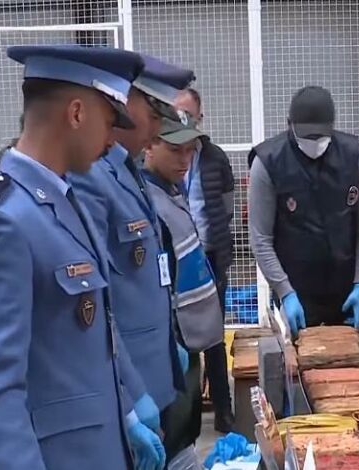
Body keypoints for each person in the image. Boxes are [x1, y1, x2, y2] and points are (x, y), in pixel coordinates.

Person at [0, 45, 166, 470]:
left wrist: (125, 410)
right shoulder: (1, 222)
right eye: (109, 122)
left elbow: (92, 338)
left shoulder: (65, 201)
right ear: (77, 114)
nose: (112, 140)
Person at [69, 55, 194, 460]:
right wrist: (126, 399)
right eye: (153, 116)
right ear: (123, 103)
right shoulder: (91, 177)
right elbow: (97, 302)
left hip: (154, 373)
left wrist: (169, 346)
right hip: (129, 382)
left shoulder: (128, 170)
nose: (157, 131)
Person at [248, 85, 359, 336]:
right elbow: (260, 238)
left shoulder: (354, 155)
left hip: (348, 289)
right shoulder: (267, 162)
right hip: (296, 291)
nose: (315, 143)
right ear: (290, 124)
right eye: (308, 137)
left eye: (321, 136)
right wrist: (284, 291)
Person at [142, 115, 226, 451]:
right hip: (167, 344)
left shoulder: (172, 190)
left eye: (190, 150)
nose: (185, 159)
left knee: (187, 433)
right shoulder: (146, 201)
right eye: (175, 150)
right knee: (173, 438)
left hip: (187, 341)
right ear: (149, 145)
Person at [174, 88, 236, 433]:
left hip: (210, 257)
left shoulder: (215, 158)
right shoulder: (161, 156)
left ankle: (224, 411)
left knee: (213, 337)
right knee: (181, 340)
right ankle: (188, 416)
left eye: (188, 114)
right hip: (176, 261)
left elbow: (226, 208)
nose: (183, 120)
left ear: (200, 117)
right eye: (176, 114)